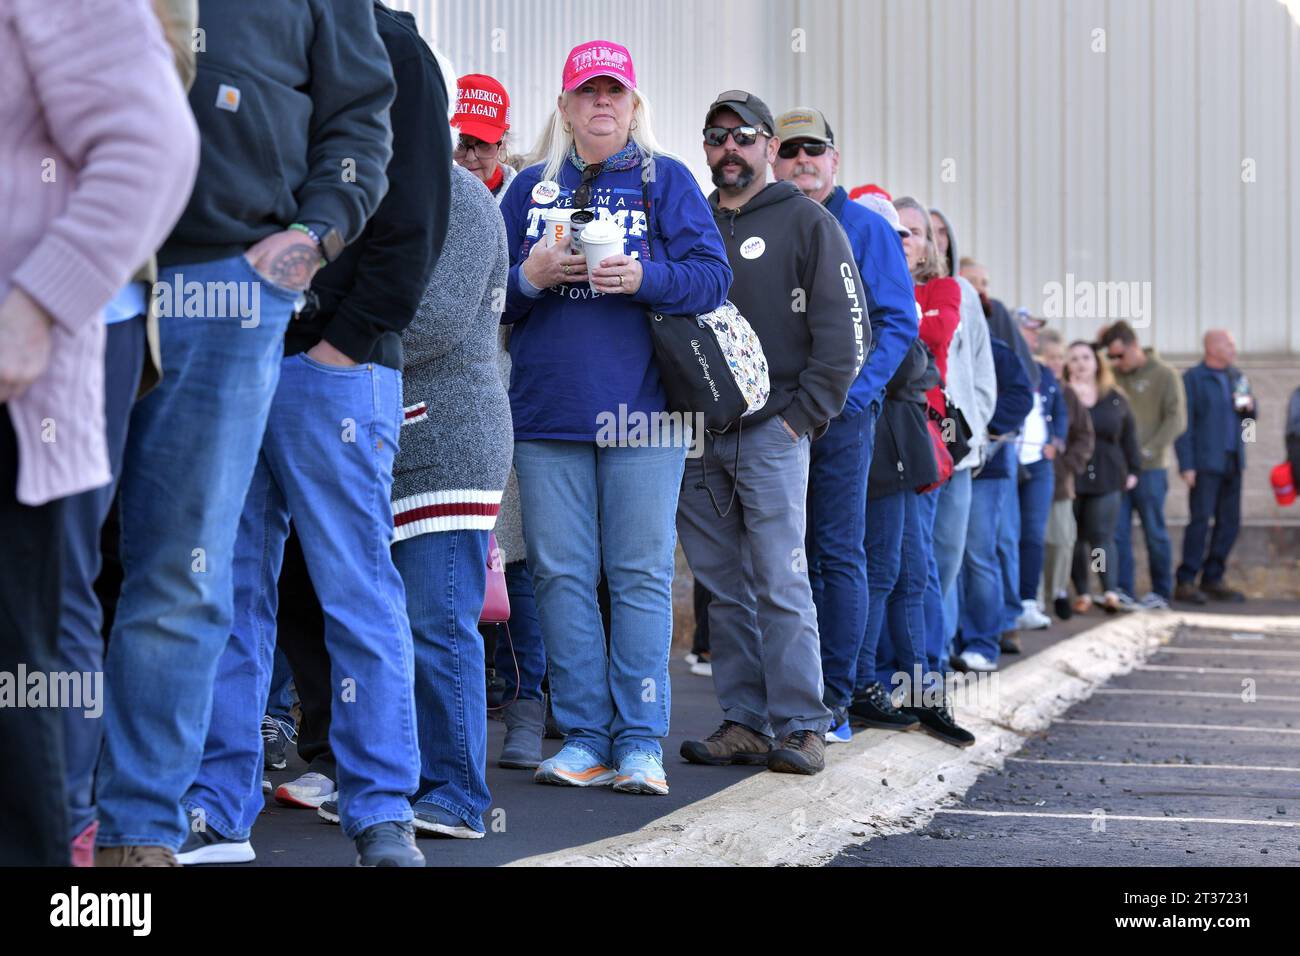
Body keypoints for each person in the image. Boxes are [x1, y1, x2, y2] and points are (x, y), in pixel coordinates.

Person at [95, 0, 397, 867]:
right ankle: (43, 814)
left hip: (225, 288)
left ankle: (137, 834)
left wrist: (302, 245)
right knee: (43, 562)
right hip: (72, 267)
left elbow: (357, 119)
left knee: (182, 568)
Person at [176, 2, 448, 868]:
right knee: (223, 589)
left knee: (355, 589)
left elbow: (413, 217)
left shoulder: (392, 41)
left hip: (333, 364)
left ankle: (380, 814)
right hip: (232, 347)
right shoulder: (243, 24)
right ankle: (219, 807)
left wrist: (345, 341)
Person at [501, 42, 732, 795]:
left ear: (634, 106)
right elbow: (480, 300)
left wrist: (645, 277)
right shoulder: (528, 188)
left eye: (615, 92)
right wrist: (528, 279)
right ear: (564, 107)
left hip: (646, 413)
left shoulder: (666, 181)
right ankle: (585, 738)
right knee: (561, 578)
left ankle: (638, 741)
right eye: (587, 92)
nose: (602, 104)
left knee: (636, 576)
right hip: (546, 412)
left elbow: (712, 280)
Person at [0, 0, 198, 867]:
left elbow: (153, 146)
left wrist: (37, 304)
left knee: (35, 645)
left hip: (32, 373)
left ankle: (94, 841)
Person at [677, 89, 864, 776]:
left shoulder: (807, 223)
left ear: (767, 147)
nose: (730, 148)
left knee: (781, 580)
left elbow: (847, 336)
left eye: (744, 136)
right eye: (717, 135)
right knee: (722, 586)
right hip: (696, 434)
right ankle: (745, 721)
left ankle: (804, 724)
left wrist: (798, 420)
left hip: (772, 431)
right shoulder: (687, 218)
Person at [771, 108, 915, 744]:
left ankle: (835, 698)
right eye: (792, 150)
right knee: (779, 557)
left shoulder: (866, 228)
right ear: (774, 157)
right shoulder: (767, 219)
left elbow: (897, 321)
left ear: (835, 161)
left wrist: (852, 397)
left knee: (837, 552)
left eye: (815, 151)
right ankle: (780, 698)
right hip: (774, 418)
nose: (804, 161)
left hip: (844, 420)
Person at [929, 209, 996, 665]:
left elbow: (981, 366)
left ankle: (946, 647)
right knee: (919, 559)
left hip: (959, 446)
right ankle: (928, 656)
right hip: (915, 443)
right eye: (919, 232)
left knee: (952, 553)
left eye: (938, 234)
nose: (931, 242)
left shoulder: (965, 295)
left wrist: (975, 422)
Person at [954, 336, 1032, 672]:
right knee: (948, 559)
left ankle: (983, 642)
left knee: (978, 555)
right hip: (947, 462)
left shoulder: (997, 351)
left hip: (988, 466)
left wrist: (980, 425)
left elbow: (1021, 397)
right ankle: (949, 643)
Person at [1101, 320, 1187, 610]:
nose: (1115, 361)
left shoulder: (1165, 375)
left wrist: (1148, 451)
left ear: (1135, 346)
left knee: (1154, 530)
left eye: (1119, 355)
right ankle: (1123, 589)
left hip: (1150, 470)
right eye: (1110, 356)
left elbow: (1176, 419)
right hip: (1118, 471)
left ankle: (1161, 591)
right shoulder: (1111, 376)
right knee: (1117, 532)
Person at [1173, 330, 1255, 604]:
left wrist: (1248, 422)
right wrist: (1187, 464)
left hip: (1233, 461)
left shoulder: (1237, 377)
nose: (1233, 348)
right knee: (1200, 520)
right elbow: (1185, 426)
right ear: (1211, 347)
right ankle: (1186, 580)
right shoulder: (1194, 379)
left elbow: (1249, 422)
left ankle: (1213, 578)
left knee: (1230, 522)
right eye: (1228, 343)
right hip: (1206, 463)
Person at [1065, 342, 1142, 614]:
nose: (1081, 363)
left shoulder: (1114, 397)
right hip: (1073, 474)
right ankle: (1083, 592)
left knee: (1101, 535)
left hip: (1108, 474)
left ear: (1097, 362)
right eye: (1074, 359)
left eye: (1086, 357)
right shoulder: (1063, 396)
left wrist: (1134, 469)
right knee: (1074, 537)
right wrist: (1071, 395)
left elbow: (1130, 435)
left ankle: (1107, 589)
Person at [1010, 313, 1068, 640]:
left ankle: (1027, 600)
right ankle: (1009, 603)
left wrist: (1055, 441)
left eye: (1036, 332)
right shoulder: (1005, 363)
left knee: (1033, 532)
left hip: (1038, 463)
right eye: (1030, 330)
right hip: (1008, 462)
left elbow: (1060, 411)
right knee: (1005, 536)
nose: (1035, 337)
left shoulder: (1045, 374)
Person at [1036, 330, 1095, 620]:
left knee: (1062, 539)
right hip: (1032, 478)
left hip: (1061, 481)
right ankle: (1034, 599)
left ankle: (1058, 590)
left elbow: (1085, 435)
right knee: (1035, 539)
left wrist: (1068, 464)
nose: (1057, 363)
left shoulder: (1068, 394)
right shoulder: (1033, 388)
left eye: (1061, 358)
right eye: (1051, 358)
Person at [453, 73, 516, 199]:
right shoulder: (425, 198)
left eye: (483, 143)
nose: (470, 158)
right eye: (459, 144)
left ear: (502, 144)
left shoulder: (521, 201)